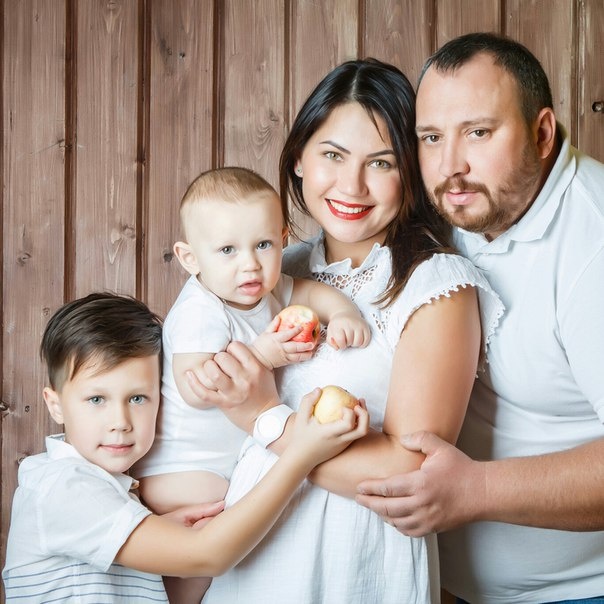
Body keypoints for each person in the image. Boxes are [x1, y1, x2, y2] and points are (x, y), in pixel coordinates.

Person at [188, 58, 503, 603]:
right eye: (333, 155)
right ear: (299, 158)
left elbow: (411, 472)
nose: (352, 185)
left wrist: (263, 419)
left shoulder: (435, 285)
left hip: (354, 562)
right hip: (249, 553)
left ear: (411, 172)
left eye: (381, 162)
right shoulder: (268, 270)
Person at [355, 33, 604, 603]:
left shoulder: (593, 243)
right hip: (435, 586)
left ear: (542, 133)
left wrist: (476, 491)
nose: (451, 166)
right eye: (431, 137)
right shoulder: (447, 207)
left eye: (479, 133)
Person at [2, 292, 369, 603]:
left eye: (138, 398)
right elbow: (207, 556)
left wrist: (169, 538)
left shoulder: (113, 493)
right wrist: (299, 456)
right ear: (55, 405)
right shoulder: (63, 486)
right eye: (96, 400)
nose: (120, 421)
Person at [131, 166, 370, 602]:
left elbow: (312, 293)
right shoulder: (201, 311)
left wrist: (343, 313)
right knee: (205, 551)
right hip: (182, 471)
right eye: (227, 250)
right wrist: (263, 355)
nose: (250, 264)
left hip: (218, 466)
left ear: (282, 239)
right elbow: (198, 388)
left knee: (214, 568)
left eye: (263, 245)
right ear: (190, 258)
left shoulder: (266, 290)